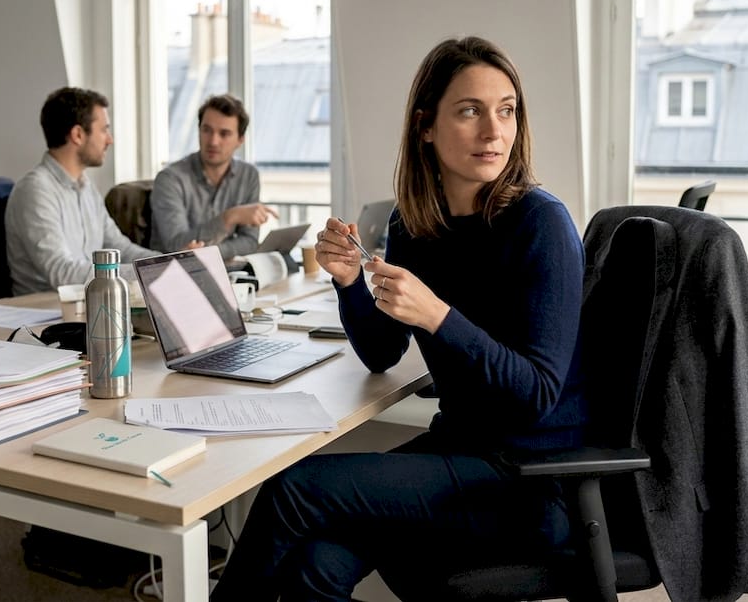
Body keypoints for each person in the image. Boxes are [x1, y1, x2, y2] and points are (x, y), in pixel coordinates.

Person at [210, 36, 586, 601]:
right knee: (317, 563)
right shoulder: (414, 225)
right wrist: (349, 284)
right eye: (471, 111)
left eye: (506, 110)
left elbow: (536, 396)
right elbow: (382, 352)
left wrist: (439, 317)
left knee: (295, 488)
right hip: (458, 449)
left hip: (529, 476)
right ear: (425, 126)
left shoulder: (541, 224)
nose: (494, 131)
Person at [7, 87, 200, 295]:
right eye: (103, 130)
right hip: (48, 308)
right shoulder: (35, 191)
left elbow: (119, 248)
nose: (110, 139)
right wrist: (154, 271)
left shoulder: (86, 187)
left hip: (91, 300)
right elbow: (63, 273)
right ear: (78, 135)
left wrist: (167, 263)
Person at [149, 93, 277, 258]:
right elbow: (177, 245)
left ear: (240, 140)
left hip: (225, 268)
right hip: (174, 270)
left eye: (224, 134)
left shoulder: (248, 175)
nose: (213, 141)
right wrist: (229, 217)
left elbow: (249, 242)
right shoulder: (170, 179)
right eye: (207, 130)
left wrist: (209, 253)